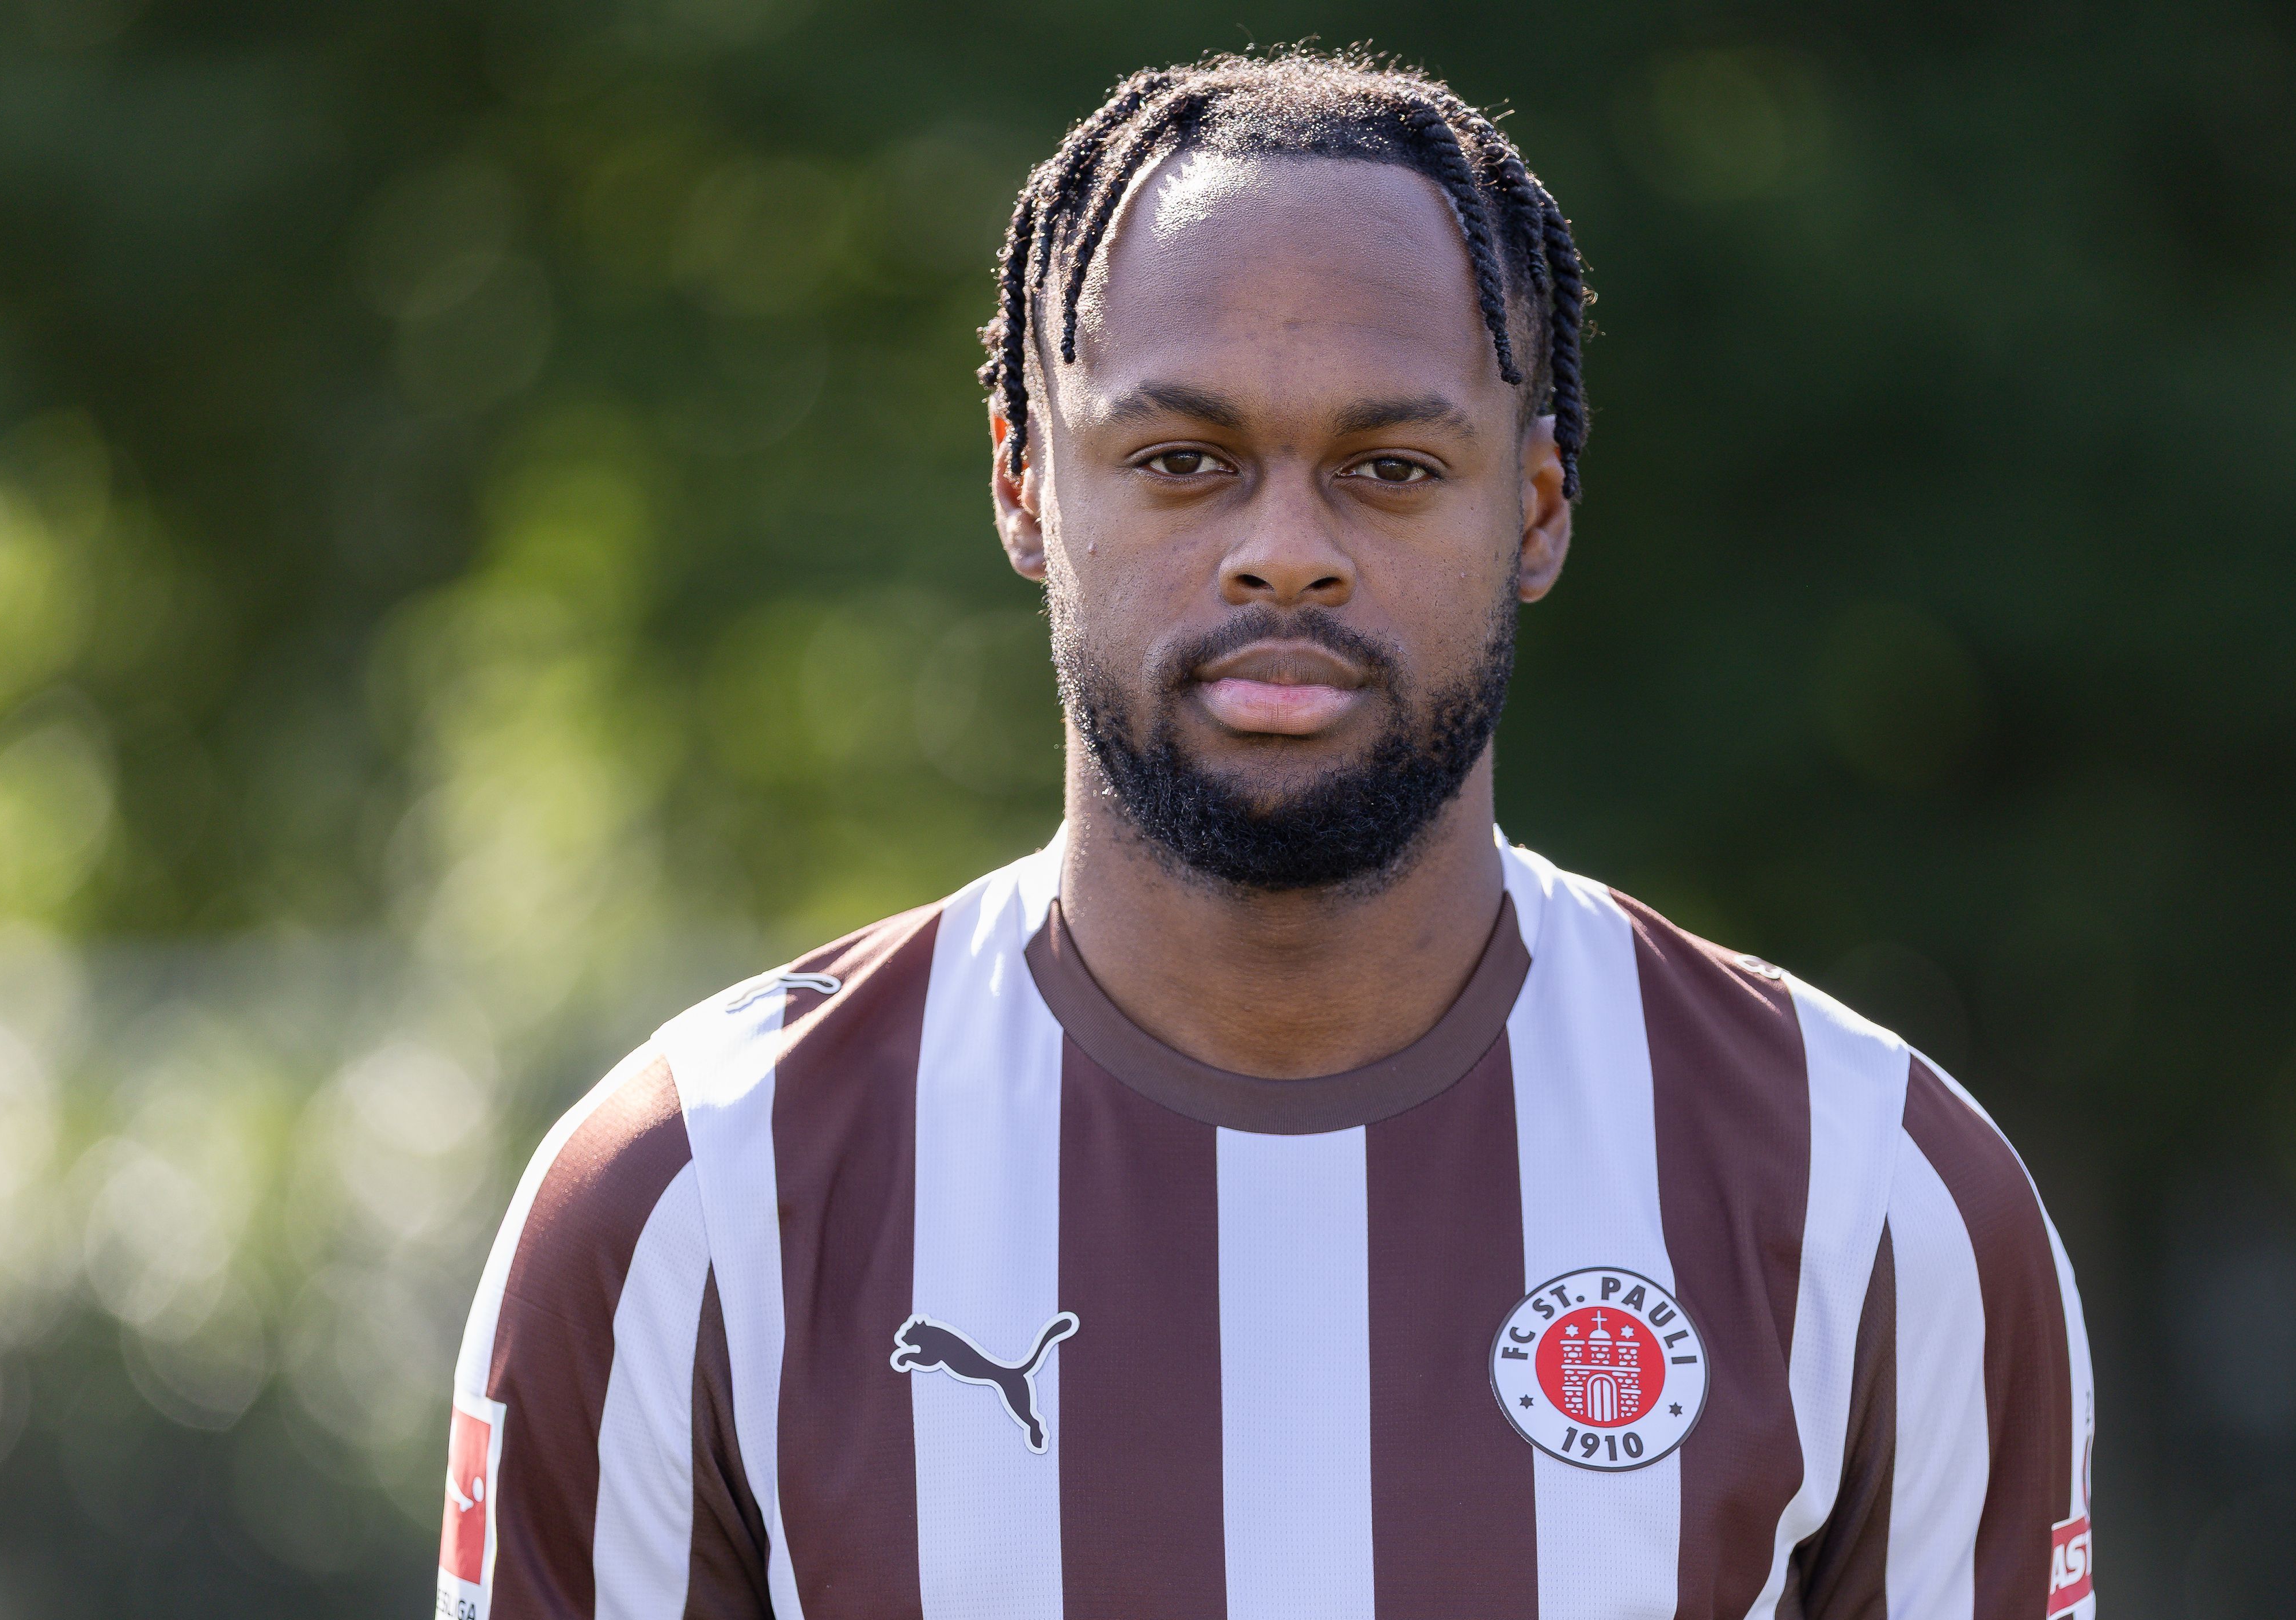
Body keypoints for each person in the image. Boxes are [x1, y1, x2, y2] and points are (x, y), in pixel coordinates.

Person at [435, 49, 2097, 1620]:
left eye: (1386, 466)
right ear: (1024, 481)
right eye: (1183, 459)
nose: (1282, 553)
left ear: (1535, 507)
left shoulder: (1873, 1193)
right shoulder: (693, 1198)